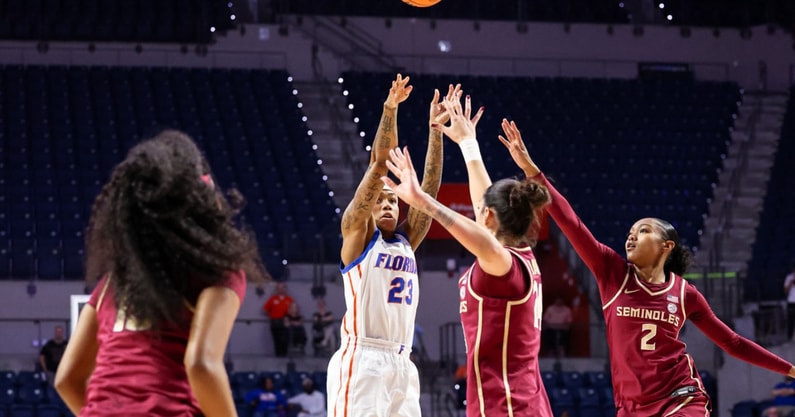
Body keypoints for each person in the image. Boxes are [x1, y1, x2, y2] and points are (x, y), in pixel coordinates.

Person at [498, 118, 795, 416]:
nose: (631, 235)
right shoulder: (611, 272)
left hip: (681, 397)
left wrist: (790, 369)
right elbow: (571, 222)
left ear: (667, 247)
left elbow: (733, 343)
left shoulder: (684, 294)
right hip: (631, 407)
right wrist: (531, 171)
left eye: (643, 231)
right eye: (630, 231)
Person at [54, 130, 267, 417]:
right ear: (203, 197)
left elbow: (66, 379)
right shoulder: (217, 272)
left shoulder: (111, 283)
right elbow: (202, 365)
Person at [382, 93, 553, 416]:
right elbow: (483, 206)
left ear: (489, 218)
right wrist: (468, 144)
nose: (478, 214)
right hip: (522, 401)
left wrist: (422, 201)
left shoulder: (502, 262)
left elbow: (483, 236)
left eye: (482, 214)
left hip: (508, 406)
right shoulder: (520, 255)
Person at [326, 74, 452, 417]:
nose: (386, 204)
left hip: (402, 361)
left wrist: (436, 132)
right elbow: (380, 165)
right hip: (363, 358)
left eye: (393, 201)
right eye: (379, 200)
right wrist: (390, 108)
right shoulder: (357, 234)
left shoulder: (405, 241)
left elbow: (428, 193)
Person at [264, 282, 294, 357]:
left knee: (285, 340)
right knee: (277, 340)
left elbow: (294, 310)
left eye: (282, 287)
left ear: (285, 288)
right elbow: (265, 309)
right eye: (279, 288)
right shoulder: (273, 299)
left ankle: (284, 356)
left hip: (285, 322)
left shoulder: (289, 299)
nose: (281, 289)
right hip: (275, 322)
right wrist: (272, 315)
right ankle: (278, 357)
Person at [783, 262, 795, 340]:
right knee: (791, 320)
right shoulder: (789, 277)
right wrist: (791, 282)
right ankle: (789, 337)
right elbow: (785, 290)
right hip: (791, 302)